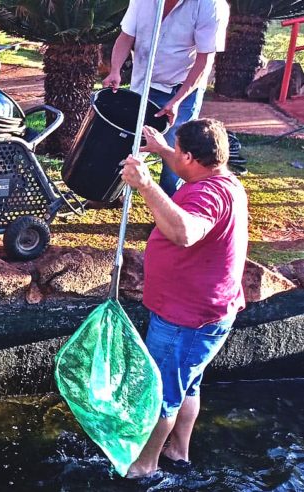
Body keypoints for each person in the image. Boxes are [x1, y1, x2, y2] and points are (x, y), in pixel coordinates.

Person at [120, 118, 248, 478]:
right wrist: (162, 149)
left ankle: (144, 466)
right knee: (187, 383)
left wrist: (146, 185)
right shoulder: (223, 179)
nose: (173, 156)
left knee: (161, 392)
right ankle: (179, 451)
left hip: (188, 318)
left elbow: (185, 232)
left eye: (177, 152)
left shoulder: (208, 194)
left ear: (190, 157)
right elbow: (187, 174)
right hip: (206, 311)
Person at [104, 0, 230, 196]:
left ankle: (170, 207)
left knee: (177, 151)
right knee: (130, 140)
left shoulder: (210, 5)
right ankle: (112, 193)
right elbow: (126, 35)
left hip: (182, 88)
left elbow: (204, 60)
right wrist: (115, 70)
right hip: (143, 83)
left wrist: (178, 100)